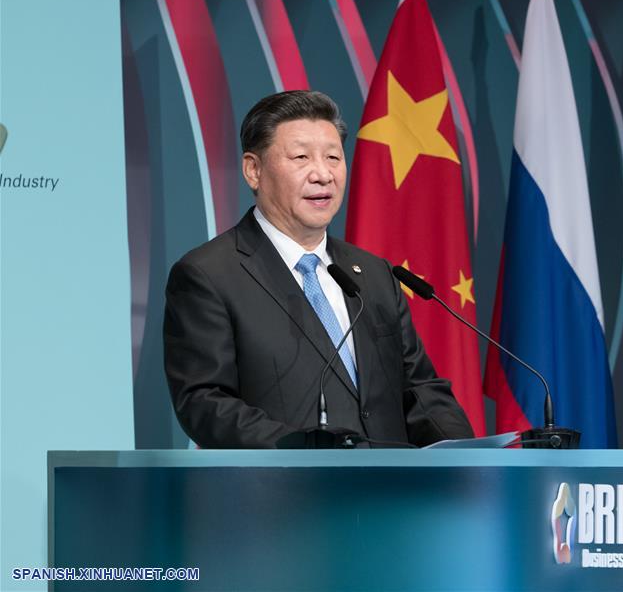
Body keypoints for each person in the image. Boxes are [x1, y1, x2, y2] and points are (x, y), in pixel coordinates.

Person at [164, 90, 474, 448]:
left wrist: (465, 455)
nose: (323, 174)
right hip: (287, 495)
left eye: (333, 157)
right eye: (301, 157)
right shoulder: (209, 275)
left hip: (389, 496)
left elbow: (419, 390)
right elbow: (204, 403)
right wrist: (303, 447)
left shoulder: (374, 275)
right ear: (254, 170)